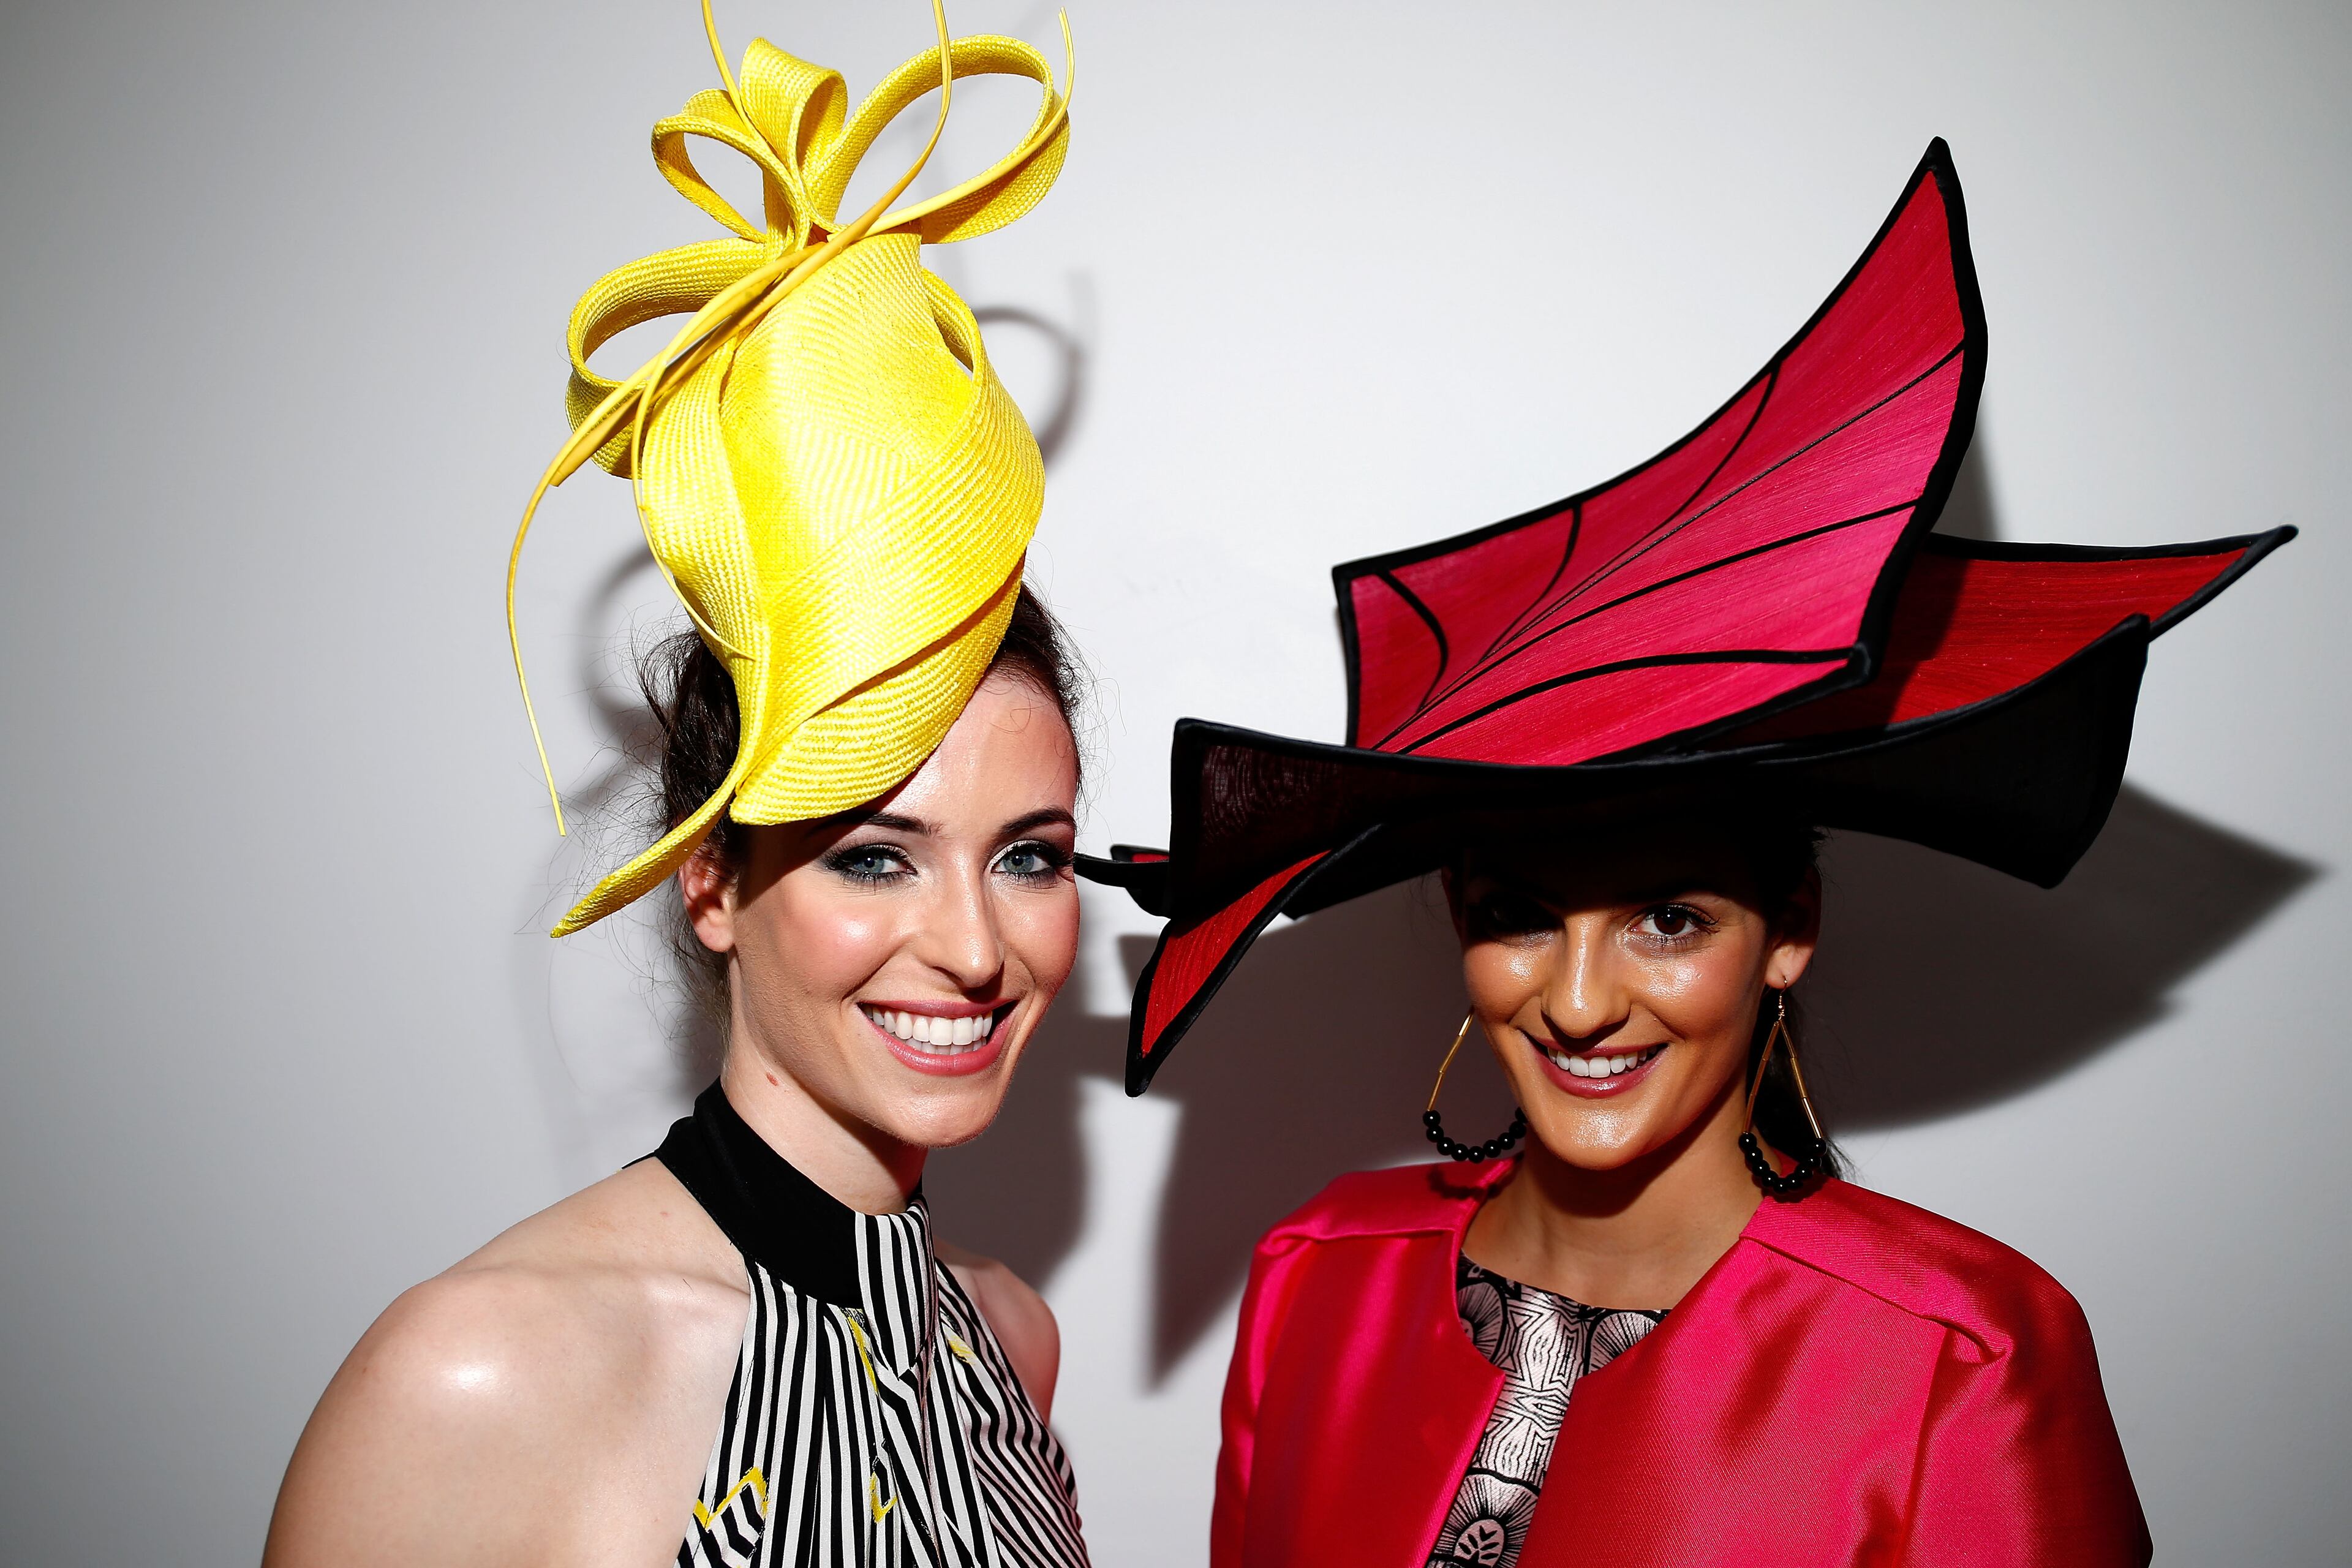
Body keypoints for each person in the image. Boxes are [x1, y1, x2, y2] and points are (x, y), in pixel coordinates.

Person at [1078, 141, 2291, 1566]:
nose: (1581, 998)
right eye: (1522, 912)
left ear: (1790, 922)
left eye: (1666, 915)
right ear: (1457, 916)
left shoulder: (1958, 1359)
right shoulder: (1312, 1283)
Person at [267, 9, 1093, 1566]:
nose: (978, 947)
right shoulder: (476, 1374)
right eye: (874, 856)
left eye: (1030, 854)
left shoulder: (1013, 1344)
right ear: (708, 880)